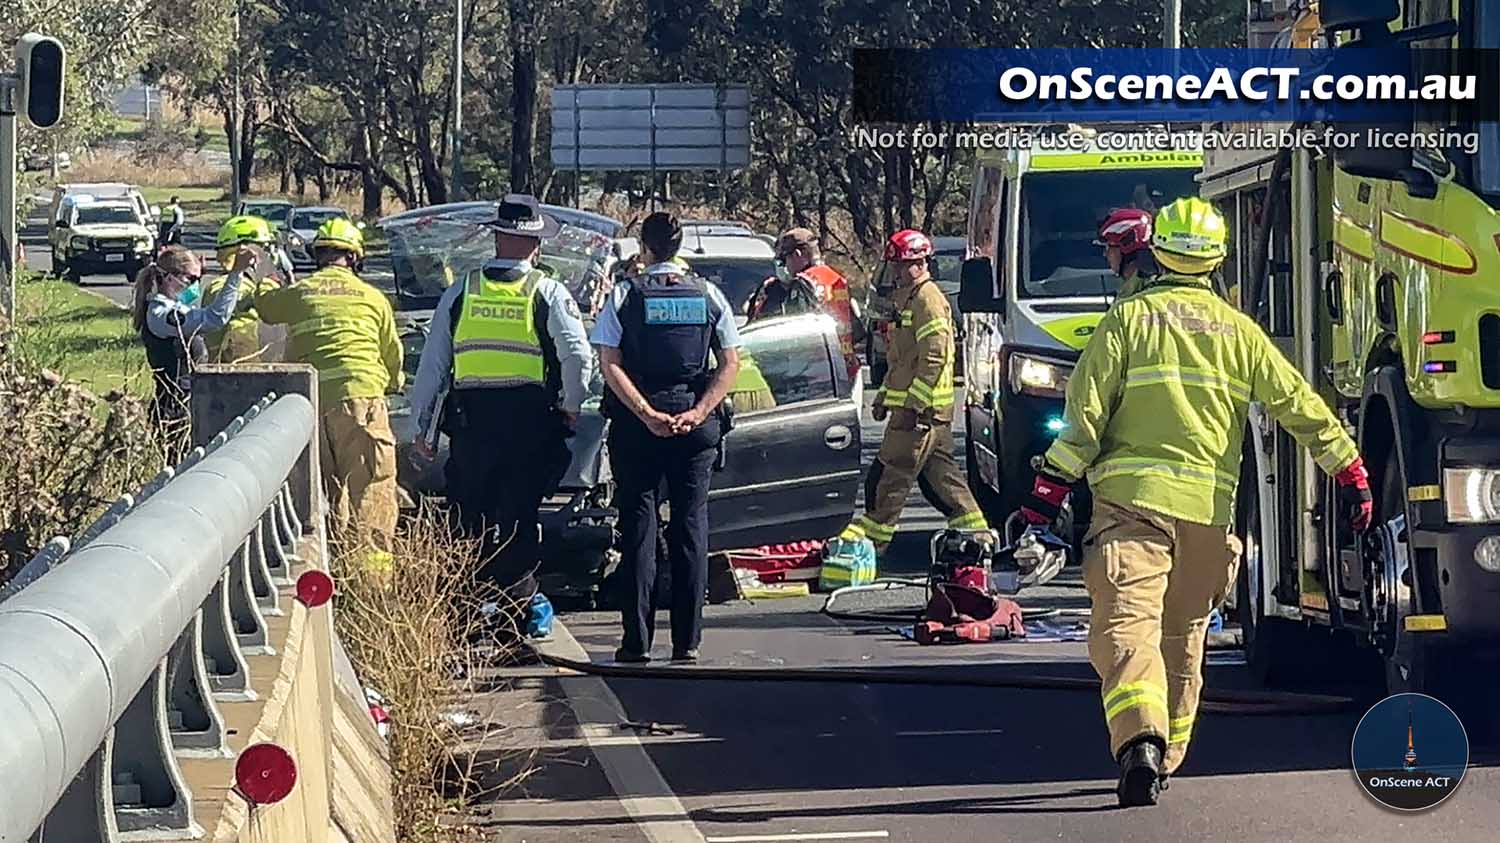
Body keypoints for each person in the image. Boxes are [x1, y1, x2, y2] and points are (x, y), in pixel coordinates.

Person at [1018, 197, 1372, 807]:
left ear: (1155, 250)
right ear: (1217, 260)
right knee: (1184, 639)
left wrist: (1043, 499)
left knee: (1128, 627)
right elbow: (1302, 406)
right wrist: (1351, 471)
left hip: (1131, 509)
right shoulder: (1241, 333)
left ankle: (1141, 743)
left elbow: (1083, 426)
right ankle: (1168, 755)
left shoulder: (1126, 323)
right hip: (1208, 517)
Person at [407, 194, 592, 631]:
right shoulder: (546, 290)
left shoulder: (462, 290)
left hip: (472, 425)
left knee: (469, 518)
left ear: (497, 237)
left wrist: (423, 430)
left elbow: (434, 366)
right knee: (517, 519)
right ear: (534, 244)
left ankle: (465, 616)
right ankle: (518, 613)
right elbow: (577, 358)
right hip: (529, 424)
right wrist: (570, 407)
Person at [592, 212, 742, 664]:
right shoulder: (709, 294)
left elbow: (609, 362)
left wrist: (646, 413)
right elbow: (730, 362)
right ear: (678, 248)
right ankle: (687, 641)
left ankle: (636, 643)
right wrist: (698, 412)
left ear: (645, 247)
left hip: (639, 427)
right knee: (691, 527)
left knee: (639, 528)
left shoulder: (624, 295)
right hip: (694, 427)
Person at [255, 218, 403, 572]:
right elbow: (392, 354)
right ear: (354, 258)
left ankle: (330, 571)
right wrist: (394, 384)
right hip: (362, 401)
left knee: (325, 494)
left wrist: (265, 279)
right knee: (373, 492)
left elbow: (266, 308)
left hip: (309, 405)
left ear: (318, 256)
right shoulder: (372, 297)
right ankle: (372, 585)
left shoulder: (301, 293)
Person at [834, 229, 989, 555]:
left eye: (902, 266)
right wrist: (884, 397)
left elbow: (936, 356)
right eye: (895, 266)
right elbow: (903, 359)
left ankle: (872, 543)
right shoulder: (910, 298)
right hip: (922, 413)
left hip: (920, 414)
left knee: (889, 475)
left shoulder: (928, 301)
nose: (897, 273)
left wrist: (916, 403)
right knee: (942, 479)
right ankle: (978, 536)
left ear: (920, 263)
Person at [132, 244, 248, 432]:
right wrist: (236, 274)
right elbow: (215, 318)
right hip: (175, 413)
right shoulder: (162, 313)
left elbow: (184, 301)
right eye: (191, 279)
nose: (195, 286)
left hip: (186, 405)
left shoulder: (167, 304)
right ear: (169, 277)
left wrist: (196, 276)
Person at [748, 227, 860, 377]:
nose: (785, 266)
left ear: (797, 254)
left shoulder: (804, 283)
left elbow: (795, 332)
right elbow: (856, 328)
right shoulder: (836, 279)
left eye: (785, 259)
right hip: (845, 364)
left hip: (816, 367)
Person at [202, 215, 293, 363]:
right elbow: (240, 332)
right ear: (248, 253)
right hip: (243, 378)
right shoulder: (229, 287)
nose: (270, 256)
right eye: (265, 248)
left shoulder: (225, 285)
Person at [1094, 207, 1159, 299]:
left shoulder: (1134, 301)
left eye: (1108, 247)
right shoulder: (1154, 289)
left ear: (1126, 246)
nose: (1105, 253)